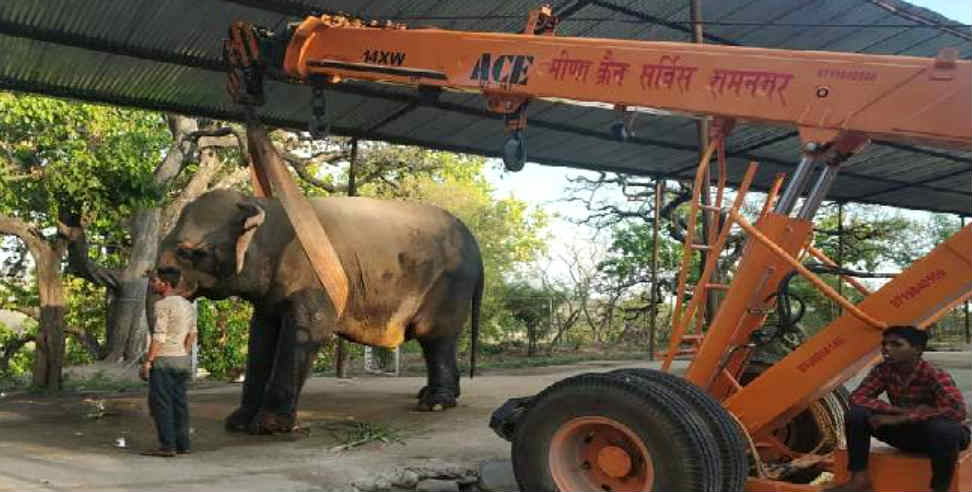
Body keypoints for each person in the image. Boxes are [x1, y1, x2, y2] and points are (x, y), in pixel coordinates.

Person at [829, 325, 970, 492]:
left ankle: (940, 488)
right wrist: (897, 412)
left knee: (944, 428)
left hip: (943, 439)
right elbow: (857, 397)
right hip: (909, 434)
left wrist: (908, 417)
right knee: (857, 414)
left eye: (896, 344)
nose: (887, 349)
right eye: (885, 344)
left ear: (917, 349)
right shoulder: (883, 371)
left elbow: (957, 410)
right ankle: (860, 479)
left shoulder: (934, 374)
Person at [140, 269, 197, 457]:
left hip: (164, 360)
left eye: (155, 281)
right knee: (180, 403)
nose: (152, 284)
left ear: (165, 284)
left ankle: (167, 446)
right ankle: (183, 445)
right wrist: (183, 352)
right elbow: (192, 334)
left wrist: (149, 361)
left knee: (161, 404)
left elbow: (159, 336)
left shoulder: (162, 305)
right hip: (181, 360)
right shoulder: (188, 305)